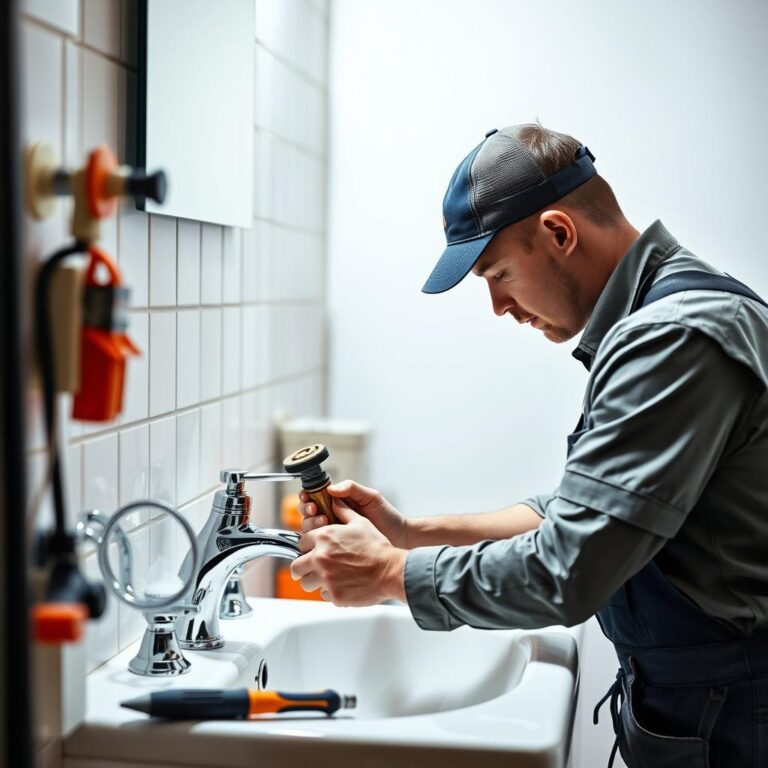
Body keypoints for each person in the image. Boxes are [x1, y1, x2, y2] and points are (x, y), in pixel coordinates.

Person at [289, 123, 768, 767]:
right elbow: (577, 511)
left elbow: (569, 569)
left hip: (739, 717)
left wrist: (385, 573)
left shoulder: (672, 337)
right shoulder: (660, 317)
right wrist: (410, 533)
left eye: (498, 273)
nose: (497, 306)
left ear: (559, 232)